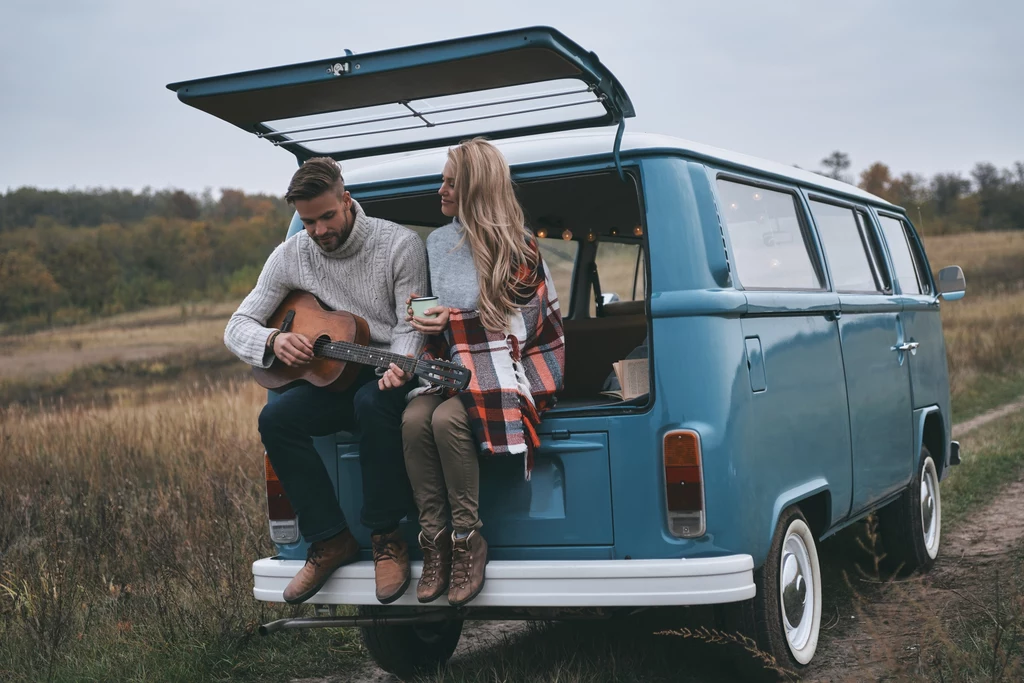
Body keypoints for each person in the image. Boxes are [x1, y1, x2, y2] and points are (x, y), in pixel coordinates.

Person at [224, 157, 428, 605]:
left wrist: (402, 363)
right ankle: (329, 538)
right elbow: (237, 325)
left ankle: (385, 537)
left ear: (346, 199)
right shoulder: (291, 253)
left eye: (326, 217)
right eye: (308, 221)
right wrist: (274, 340)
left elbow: (411, 325)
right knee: (275, 419)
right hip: (331, 381)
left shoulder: (400, 245)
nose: (317, 231)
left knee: (372, 405)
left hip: (387, 373)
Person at [384, 138, 565, 606]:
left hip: (514, 367)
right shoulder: (438, 240)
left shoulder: (519, 245)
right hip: (454, 366)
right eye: (442, 179)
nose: (439, 189)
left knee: (445, 420)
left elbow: (523, 329)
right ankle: (436, 541)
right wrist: (424, 320)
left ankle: (468, 539)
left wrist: (455, 320)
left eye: (450, 182)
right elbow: (438, 322)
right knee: (412, 419)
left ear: (477, 189)